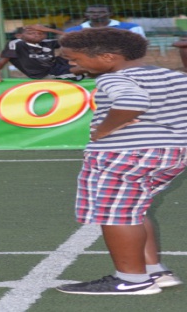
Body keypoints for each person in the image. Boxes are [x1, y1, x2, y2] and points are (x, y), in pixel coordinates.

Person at [55, 28, 187, 295]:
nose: (71, 64)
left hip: (125, 153)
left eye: (75, 58)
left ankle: (132, 280)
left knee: (116, 213)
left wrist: (103, 130)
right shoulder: (171, 76)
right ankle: (154, 271)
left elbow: (132, 101)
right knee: (133, 209)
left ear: (107, 57)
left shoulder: (115, 78)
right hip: (174, 152)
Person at [0, 25, 84, 85]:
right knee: (85, 69)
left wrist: (51, 30)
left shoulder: (47, 42)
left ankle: (92, 70)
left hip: (55, 65)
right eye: (31, 33)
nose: (37, 35)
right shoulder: (17, 43)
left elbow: (76, 39)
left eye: (41, 33)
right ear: (19, 35)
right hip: (44, 73)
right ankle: (91, 70)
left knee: (75, 50)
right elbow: (2, 61)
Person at [64, 4, 146, 37]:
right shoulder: (73, 31)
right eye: (91, 12)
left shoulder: (132, 28)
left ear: (110, 14)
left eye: (101, 12)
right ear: (86, 14)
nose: (96, 14)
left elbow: (141, 46)